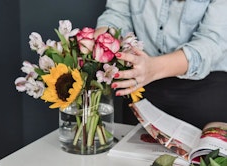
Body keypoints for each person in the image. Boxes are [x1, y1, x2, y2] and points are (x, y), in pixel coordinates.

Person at [96, 0, 227, 128]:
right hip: (141, 86)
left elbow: (211, 43)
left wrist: (152, 68)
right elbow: (117, 15)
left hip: (205, 92)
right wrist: (103, 41)